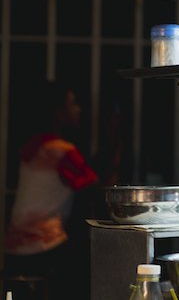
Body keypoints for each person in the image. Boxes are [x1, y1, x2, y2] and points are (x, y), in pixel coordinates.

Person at [4, 80, 98, 298]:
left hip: (14, 244)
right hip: (43, 244)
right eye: (73, 104)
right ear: (59, 113)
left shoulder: (33, 145)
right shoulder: (61, 151)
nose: (79, 109)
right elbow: (93, 185)